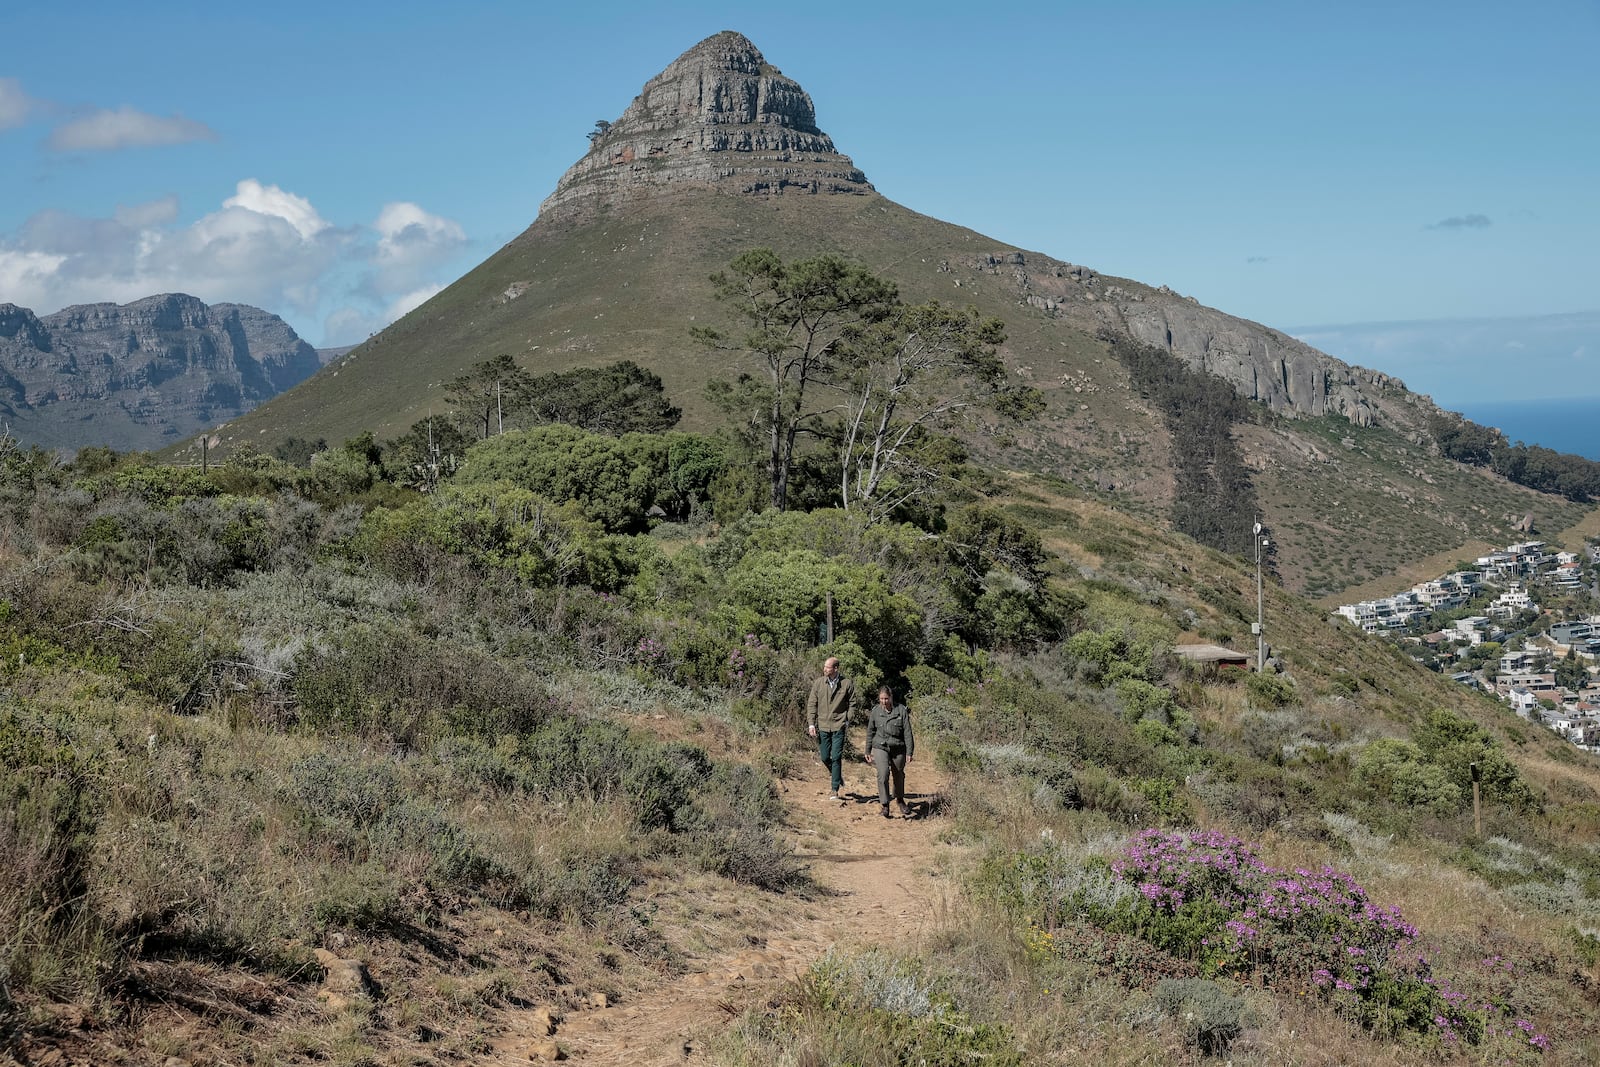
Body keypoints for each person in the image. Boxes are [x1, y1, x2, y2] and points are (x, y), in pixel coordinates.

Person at [806, 656, 858, 802]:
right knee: (824, 757)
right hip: (822, 725)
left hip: (839, 725)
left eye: (827, 667)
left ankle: (834, 789)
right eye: (824, 666)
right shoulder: (818, 683)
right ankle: (837, 776)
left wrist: (847, 719)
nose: (824, 669)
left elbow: (853, 703)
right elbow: (812, 704)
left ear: (836, 669)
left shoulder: (846, 684)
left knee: (836, 757)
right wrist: (811, 723)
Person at [863, 685, 914, 819]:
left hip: (898, 747)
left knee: (898, 774)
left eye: (886, 698)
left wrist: (910, 751)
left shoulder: (901, 710)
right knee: (883, 773)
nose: (884, 701)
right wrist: (867, 750)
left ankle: (900, 799)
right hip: (880, 746)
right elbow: (870, 732)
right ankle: (885, 804)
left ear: (891, 697)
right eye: (881, 699)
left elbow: (908, 732)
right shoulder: (875, 711)